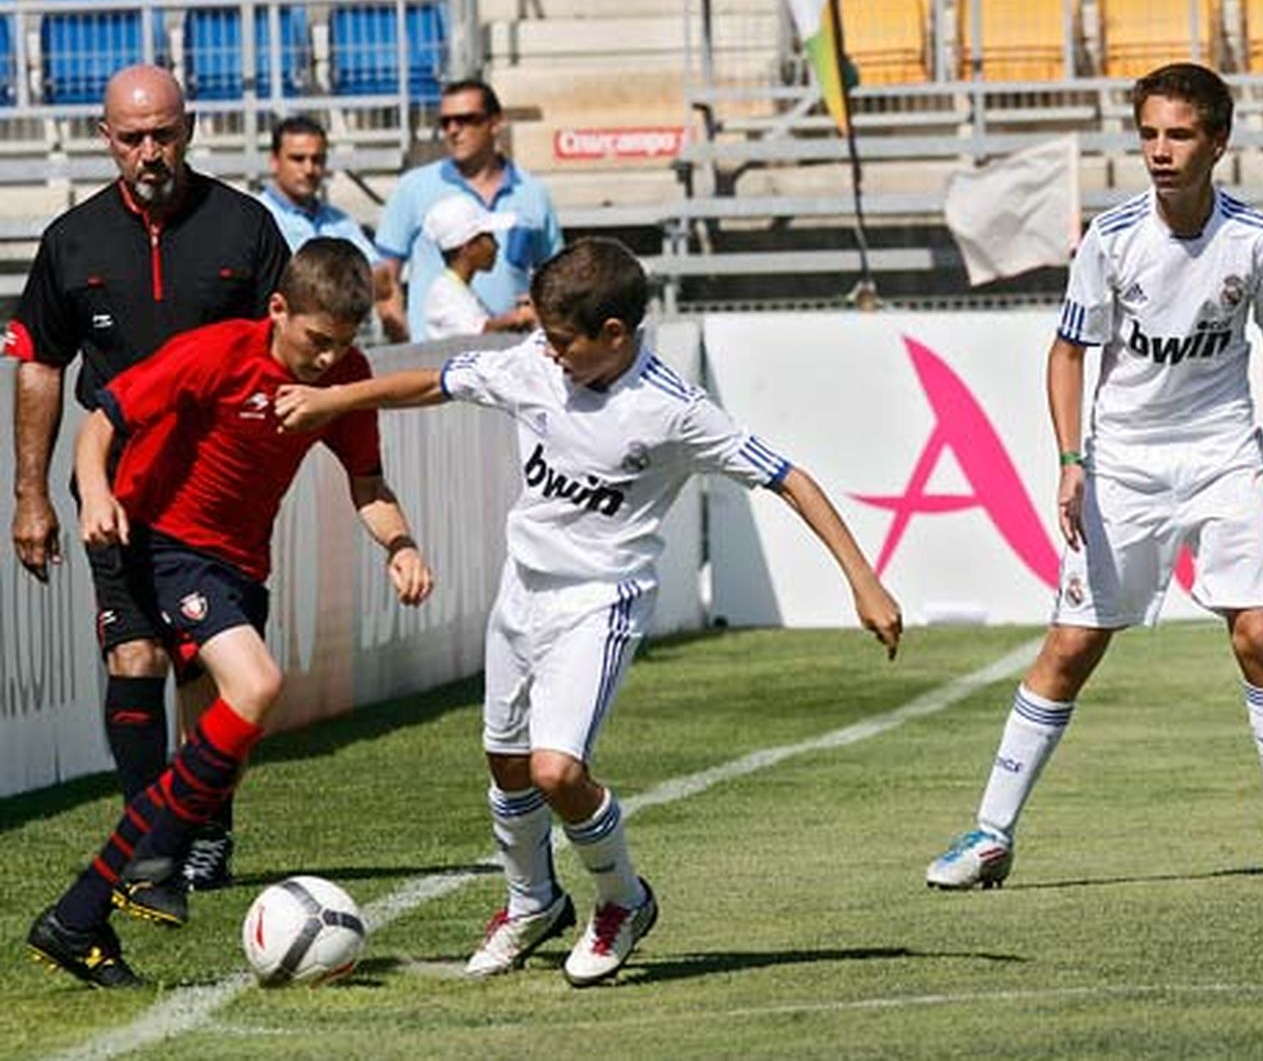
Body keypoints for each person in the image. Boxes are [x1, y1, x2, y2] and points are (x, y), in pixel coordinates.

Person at [274, 237, 902, 987]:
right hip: (523, 591)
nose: (548, 350)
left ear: (614, 335)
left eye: (562, 339)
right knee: (508, 765)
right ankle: (532, 902)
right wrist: (334, 398)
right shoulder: (534, 362)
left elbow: (788, 478)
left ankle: (623, 900)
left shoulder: (673, 410)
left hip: (601, 600)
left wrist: (863, 579)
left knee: (556, 769)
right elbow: (434, 383)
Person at [925, 62, 1263, 891]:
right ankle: (989, 835)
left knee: (1260, 634)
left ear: (1217, 142)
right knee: (1073, 644)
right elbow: (1068, 352)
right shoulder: (1113, 240)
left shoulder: (1256, 240)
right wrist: (1072, 459)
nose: (1159, 151)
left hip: (1224, 450)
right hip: (1124, 462)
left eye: (1179, 134)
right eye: (1149, 133)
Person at [24, 239, 435, 988]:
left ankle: (80, 916)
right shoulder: (217, 353)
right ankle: (158, 854)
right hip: (158, 540)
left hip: (241, 565)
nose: (325, 360)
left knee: (229, 742)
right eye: (315, 342)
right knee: (254, 685)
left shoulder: (344, 378)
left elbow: (368, 482)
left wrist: (400, 545)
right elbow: (100, 423)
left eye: (341, 346)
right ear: (278, 310)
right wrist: (96, 490)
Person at [5, 64, 291, 892]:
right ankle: (149, 841)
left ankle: (209, 827)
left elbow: (288, 346)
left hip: (216, 492)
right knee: (134, 656)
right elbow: (41, 366)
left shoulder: (245, 227)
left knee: (206, 669)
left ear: (189, 128)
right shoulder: (73, 239)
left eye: (163, 133)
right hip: (115, 488)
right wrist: (30, 492)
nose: (149, 152)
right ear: (105, 138)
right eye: (132, 137)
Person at [374, 79, 559, 343]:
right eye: (445, 122)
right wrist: (405, 345)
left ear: (495, 123)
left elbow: (554, 277)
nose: (453, 130)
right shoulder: (412, 188)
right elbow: (385, 279)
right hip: (434, 362)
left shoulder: (532, 193)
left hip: (512, 359)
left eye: (465, 119)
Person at [257, 115, 406, 341]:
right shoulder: (258, 218)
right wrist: (349, 280)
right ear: (275, 161)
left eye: (317, 159)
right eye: (298, 159)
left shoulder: (340, 221)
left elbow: (383, 280)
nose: (309, 169)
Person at [419, 193, 538, 339]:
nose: (497, 246)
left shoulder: (459, 290)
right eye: (489, 237)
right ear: (468, 247)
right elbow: (475, 336)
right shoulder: (444, 294)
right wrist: (518, 317)